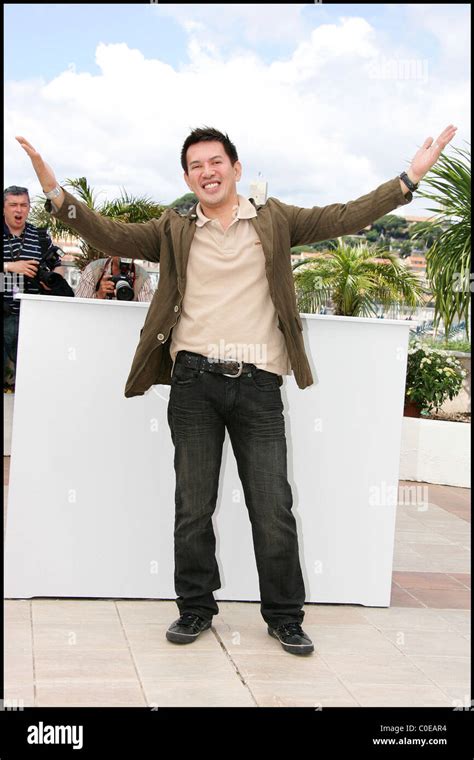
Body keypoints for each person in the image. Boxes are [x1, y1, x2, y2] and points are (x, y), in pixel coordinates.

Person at [16, 124, 457, 655]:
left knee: (273, 506)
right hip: (193, 382)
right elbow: (110, 235)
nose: (207, 171)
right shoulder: (174, 227)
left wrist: (409, 178)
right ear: (187, 176)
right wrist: (55, 193)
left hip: (259, 387)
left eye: (215, 161)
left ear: (236, 168)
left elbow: (345, 216)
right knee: (192, 506)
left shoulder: (275, 220)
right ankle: (195, 609)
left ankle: (285, 616)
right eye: (196, 165)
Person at [3, 185, 64, 390]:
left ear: (29, 208)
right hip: (4, 311)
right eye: (13, 205)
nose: (18, 210)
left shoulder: (40, 236)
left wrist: (54, 279)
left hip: (33, 316)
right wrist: (10, 266)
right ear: (4, 208)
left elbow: (58, 266)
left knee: (29, 380)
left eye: (23, 205)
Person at [75, 255, 154, 301]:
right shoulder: (94, 270)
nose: (125, 254)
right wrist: (99, 295)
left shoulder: (142, 277)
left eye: (131, 249)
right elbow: (79, 308)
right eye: (119, 248)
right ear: (111, 250)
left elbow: (146, 313)